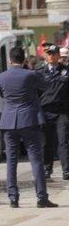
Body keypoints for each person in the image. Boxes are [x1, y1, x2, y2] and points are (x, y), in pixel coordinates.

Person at [0, 47, 57, 208]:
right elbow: (46, 86)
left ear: (10, 60)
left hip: (9, 121)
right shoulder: (31, 74)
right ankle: (41, 197)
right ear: (24, 60)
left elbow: (2, 94)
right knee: (36, 159)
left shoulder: (2, 76)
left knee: (11, 160)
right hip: (29, 120)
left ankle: (13, 198)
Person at [37, 45, 69, 180]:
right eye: (48, 54)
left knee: (63, 141)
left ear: (58, 56)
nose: (50, 56)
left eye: (53, 53)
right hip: (45, 111)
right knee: (46, 142)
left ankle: (66, 170)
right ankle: (46, 169)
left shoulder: (66, 71)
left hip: (62, 111)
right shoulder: (39, 72)